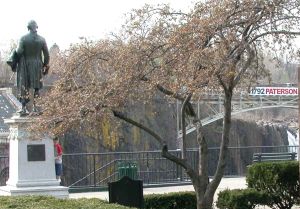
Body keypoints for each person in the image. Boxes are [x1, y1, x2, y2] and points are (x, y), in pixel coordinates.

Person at [7, 20, 50, 115]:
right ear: (36, 27)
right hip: (37, 64)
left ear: (28, 27)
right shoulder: (42, 39)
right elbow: (47, 55)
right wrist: (45, 66)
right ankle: (36, 108)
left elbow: (19, 51)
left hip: (25, 65)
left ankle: (23, 108)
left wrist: (14, 56)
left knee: (24, 85)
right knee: (37, 87)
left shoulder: (23, 38)